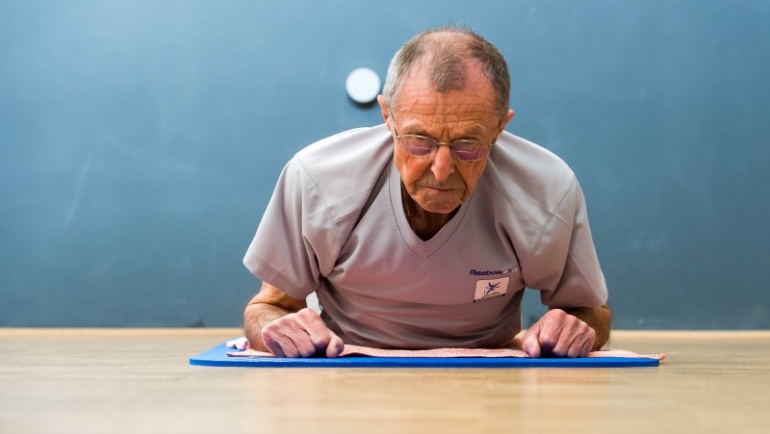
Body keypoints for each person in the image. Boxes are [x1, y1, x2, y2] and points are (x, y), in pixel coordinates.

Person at [242, 26, 611, 359]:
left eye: (468, 144)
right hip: (347, 366)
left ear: (500, 128)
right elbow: (269, 306)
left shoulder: (547, 191)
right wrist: (273, 329)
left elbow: (589, 312)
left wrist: (577, 328)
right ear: (387, 116)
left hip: (489, 379)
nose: (441, 169)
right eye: (419, 141)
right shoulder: (317, 180)